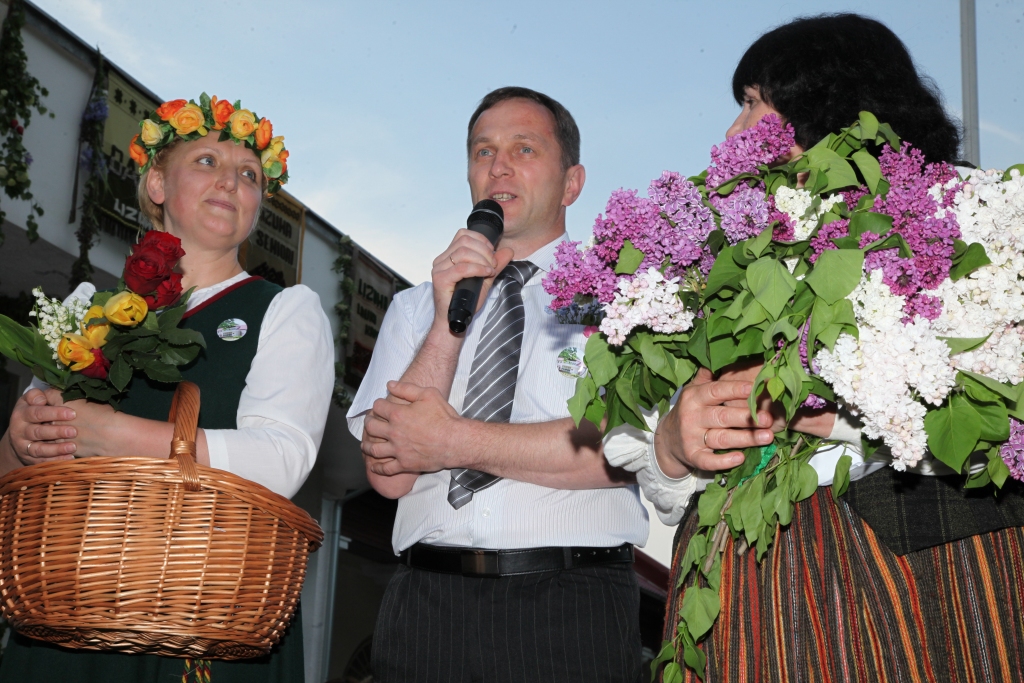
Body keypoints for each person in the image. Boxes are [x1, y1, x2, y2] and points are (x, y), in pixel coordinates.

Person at [616, 14, 1024, 682]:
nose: (732, 132)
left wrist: (832, 410)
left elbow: (1002, 416)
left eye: (752, 102)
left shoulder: (962, 219)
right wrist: (671, 442)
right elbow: (654, 458)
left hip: (915, 583)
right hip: (742, 596)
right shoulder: (716, 262)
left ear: (825, 100)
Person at [348, 86, 683, 683]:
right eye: (482, 152)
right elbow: (389, 473)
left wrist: (454, 443)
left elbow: (628, 448)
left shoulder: (627, 299)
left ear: (572, 182)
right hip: (423, 606)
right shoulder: (413, 306)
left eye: (523, 148)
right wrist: (449, 318)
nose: (497, 166)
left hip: (568, 607)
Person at [0, 95, 334, 682]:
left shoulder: (284, 310)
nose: (231, 180)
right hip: (68, 612)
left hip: (203, 615)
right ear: (157, 182)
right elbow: (11, 481)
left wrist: (115, 434)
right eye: (206, 161)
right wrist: (21, 440)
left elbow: (283, 460)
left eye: (250, 175)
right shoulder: (83, 310)